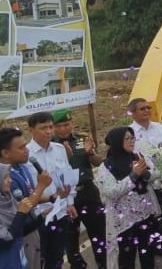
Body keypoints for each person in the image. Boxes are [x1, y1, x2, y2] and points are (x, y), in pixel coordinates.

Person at [96, 127, 161, 269]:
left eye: (132, 138)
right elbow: (112, 191)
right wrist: (133, 175)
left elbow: (156, 172)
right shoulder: (106, 167)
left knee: (148, 253)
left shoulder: (138, 156)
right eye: (127, 138)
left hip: (145, 213)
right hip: (125, 220)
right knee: (127, 257)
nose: (131, 141)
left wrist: (145, 174)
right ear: (117, 142)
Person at [52, 109, 106, 269]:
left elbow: (97, 162)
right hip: (67, 196)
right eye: (59, 126)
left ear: (72, 124)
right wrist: (66, 157)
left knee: (99, 234)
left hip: (88, 193)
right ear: (54, 127)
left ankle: (103, 264)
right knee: (70, 239)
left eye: (66, 124)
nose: (63, 129)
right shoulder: (52, 146)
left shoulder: (82, 138)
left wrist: (90, 153)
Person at [26, 111, 76, 269]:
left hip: (60, 213)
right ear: (31, 130)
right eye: (43, 128)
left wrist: (70, 203)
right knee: (39, 259)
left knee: (57, 259)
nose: (48, 131)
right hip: (39, 216)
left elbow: (67, 178)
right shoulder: (25, 154)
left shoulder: (59, 149)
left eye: (50, 127)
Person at [0, 127, 45, 269]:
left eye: (26, 145)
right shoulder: (3, 179)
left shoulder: (23, 168)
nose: (27, 150)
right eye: (21, 147)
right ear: (5, 153)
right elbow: (24, 205)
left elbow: (31, 195)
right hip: (20, 236)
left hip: (33, 229)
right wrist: (42, 186)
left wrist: (53, 197)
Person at [127, 98, 162, 257]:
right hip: (143, 183)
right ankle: (150, 249)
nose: (147, 110)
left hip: (161, 179)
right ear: (132, 113)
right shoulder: (129, 133)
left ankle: (157, 246)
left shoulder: (159, 127)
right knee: (152, 219)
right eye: (142, 108)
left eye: (148, 107)